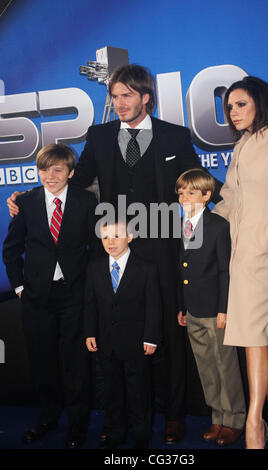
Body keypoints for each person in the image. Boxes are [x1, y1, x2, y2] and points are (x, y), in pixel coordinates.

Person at [6, 64, 222, 444]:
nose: (118, 103)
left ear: (146, 98)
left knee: (168, 333)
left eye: (126, 96)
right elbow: (74, 180)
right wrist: (27, 198)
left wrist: (240, 200)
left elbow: (198, 179)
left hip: (162, 245)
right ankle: (116, 417)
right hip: (113, 247)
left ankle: (172, 416)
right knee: (115, 334)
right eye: (114, 96)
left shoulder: (174, 136)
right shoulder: (100, 135)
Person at [213, 76, 268, 449]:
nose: (233, 112)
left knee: (250, 335)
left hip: (262, 252)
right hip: (236, 250)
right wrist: (197, 223)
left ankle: (254, 422)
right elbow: (230, 199)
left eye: (241, 104)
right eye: (230, 107)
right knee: (259, 332)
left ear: (261, 103)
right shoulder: (242, 147)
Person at [2, 144, 98, 448]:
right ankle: (47, 417)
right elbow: (10, 250)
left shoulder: (86, 201)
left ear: (70, 172)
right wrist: (19, 287)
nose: (50, 175)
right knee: (42, 362)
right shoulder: (26, 202)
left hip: (74, 296)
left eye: (58, 169)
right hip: (36, 298)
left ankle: (78, 424)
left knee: (76, 364)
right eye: (44, 169)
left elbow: (96, 250)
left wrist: (89, 291)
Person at [176, 168, 246, 446]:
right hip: (192, 309)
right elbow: (181, 269)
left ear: (207, 195)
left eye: (191, 192)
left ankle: (235, 419)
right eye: (181, 192)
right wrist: (182, 306)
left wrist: (223, 309)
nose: (184, 197)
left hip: (214, 310)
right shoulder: (178, 225)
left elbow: (223, 272)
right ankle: (218, 418)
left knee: (224, 365)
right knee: (206, 366)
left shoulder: (218, 225)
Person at [84, 217, 162, 449]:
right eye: (106, 237)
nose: (111, 241)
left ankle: (140, 435)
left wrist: (151, 337)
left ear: (130, 237)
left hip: (136, 342)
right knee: (111, 390)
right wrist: (89, 332)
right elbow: (90, 303)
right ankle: (114, 431)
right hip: (107, 341)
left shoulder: (147, 268)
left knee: (138, 391)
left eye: (117, 236)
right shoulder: (95, 267)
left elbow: (154, 306)